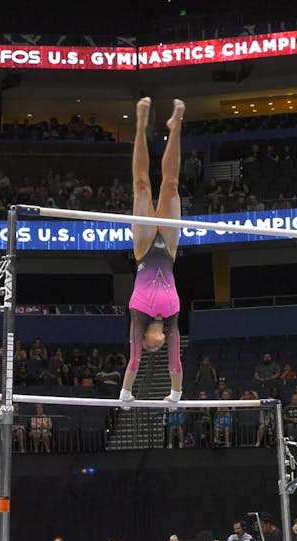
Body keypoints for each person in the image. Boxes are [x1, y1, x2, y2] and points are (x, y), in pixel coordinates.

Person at [119, 97, 186, 405]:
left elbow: (133, 361)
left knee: (142, 186)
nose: (155, 346)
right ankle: (176, 126)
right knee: (171, 186)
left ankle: (140, 125)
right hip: (169, 250)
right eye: (158, 347)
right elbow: (176, 364)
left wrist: (126, 394)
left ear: (144, 337)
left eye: (150, 346)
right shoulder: (172, 319)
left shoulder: (137, 315)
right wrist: (175, 395)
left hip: (145, 250)